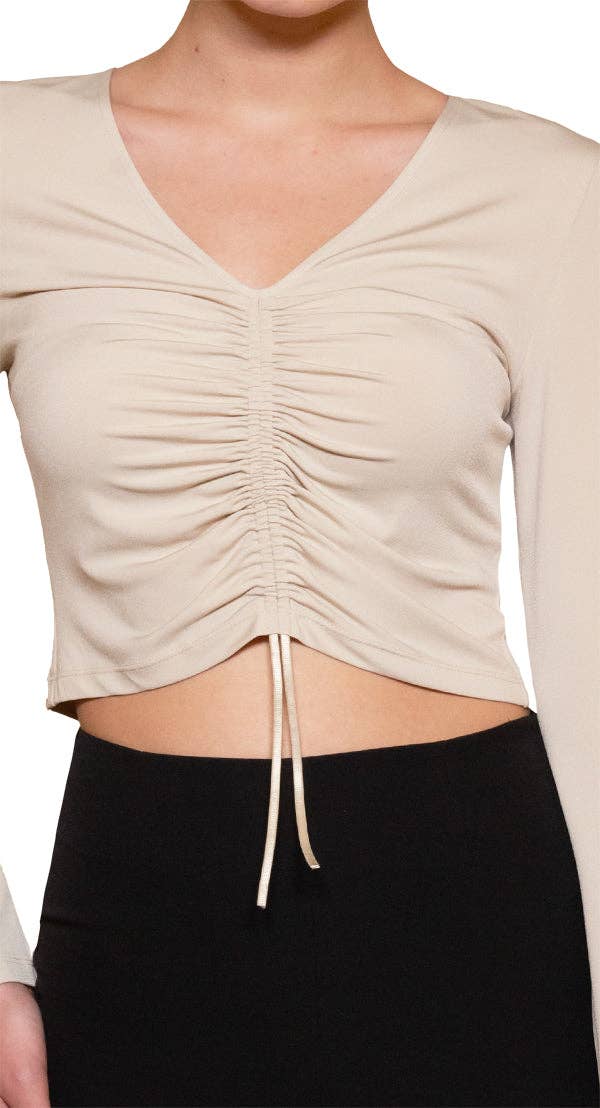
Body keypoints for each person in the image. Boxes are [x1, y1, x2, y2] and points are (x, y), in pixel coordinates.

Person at [0, 1, 598, 1105]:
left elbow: (593, 629)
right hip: (140, 898)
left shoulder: (550, 191)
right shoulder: (16, 159)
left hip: (471, 898)